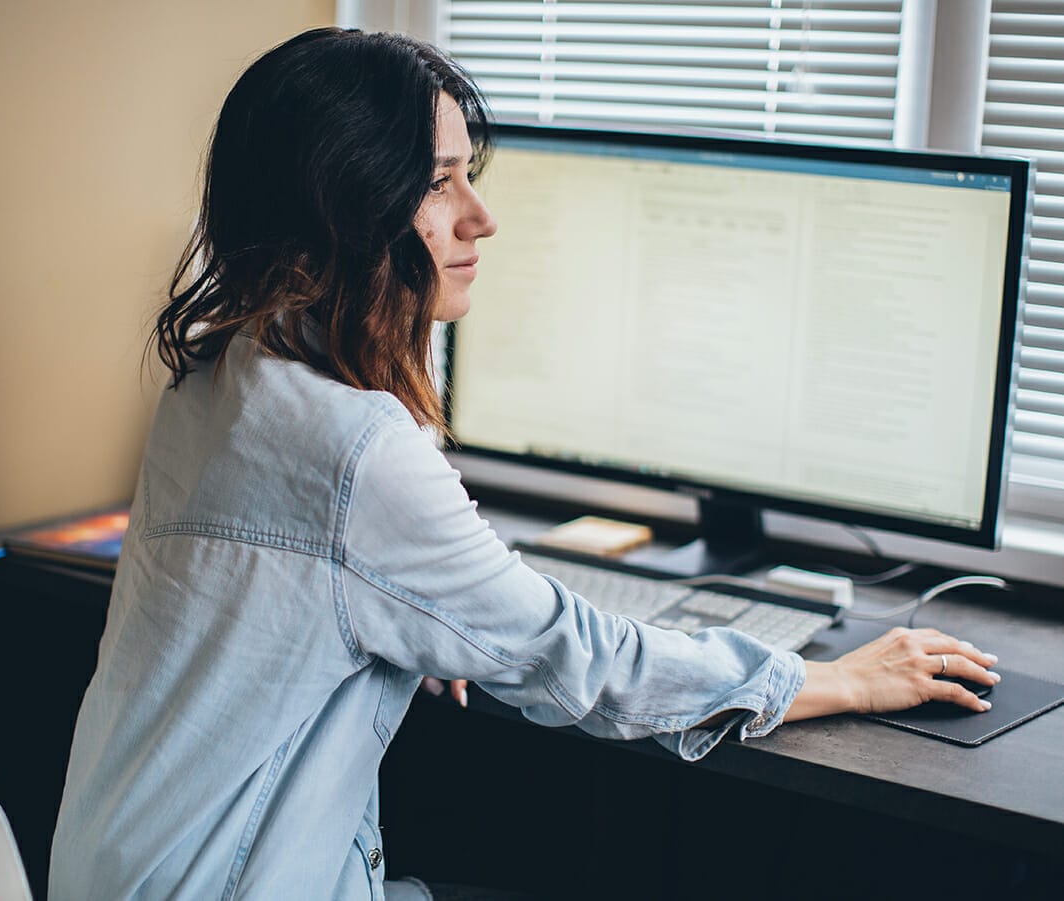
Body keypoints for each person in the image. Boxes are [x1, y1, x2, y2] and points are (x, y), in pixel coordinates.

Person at [48, 26, 1000, 901]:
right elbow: (582, 658)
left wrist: (409, 615)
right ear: (346, 205)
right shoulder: (356, 447)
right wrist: (833, 679)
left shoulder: (223, 374)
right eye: (438, 181)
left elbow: (279, 593)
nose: (480, 217)